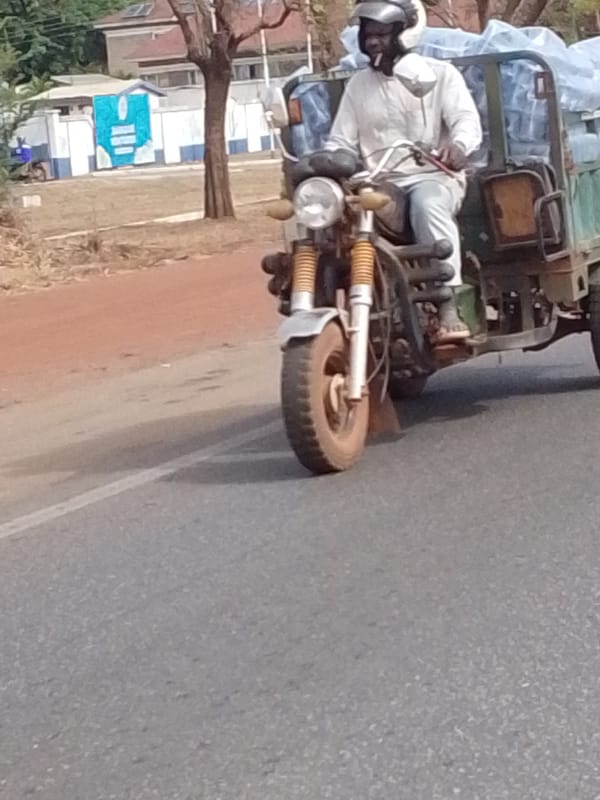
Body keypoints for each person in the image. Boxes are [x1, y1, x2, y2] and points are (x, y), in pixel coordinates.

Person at [326, 0, 483, 342]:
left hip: (434, 176)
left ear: (405, 34)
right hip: (381, 184)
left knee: (428, 204)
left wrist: (457, 147)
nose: (372, 43)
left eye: (382, 34)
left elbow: (466, 123)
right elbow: (340, 140)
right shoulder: (358, 85)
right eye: (368, 35)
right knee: (336, 220)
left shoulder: (440, 75)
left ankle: (447, 305)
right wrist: (332, 160)